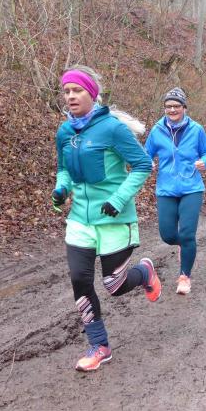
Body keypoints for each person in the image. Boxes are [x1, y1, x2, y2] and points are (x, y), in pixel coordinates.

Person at [52, 65, 160, 372]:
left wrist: (118, 198)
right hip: (79, 220)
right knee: (79, 280)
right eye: (66, 91)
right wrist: (62, 188)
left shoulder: (112, 129)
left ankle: (145, 272)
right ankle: (99, 345)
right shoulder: (64, 132)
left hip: (114, 219)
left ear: (92, 94)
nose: (71, 96)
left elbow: (142, 165)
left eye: (77, 90)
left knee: (114, 284)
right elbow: (63, 168)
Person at [145, 87, 206, 295]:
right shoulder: (157, 130)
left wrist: (205, 162)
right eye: (168, 106)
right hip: (166, 188)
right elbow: (146, 153)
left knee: (187, 233)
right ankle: (185, 244)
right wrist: (148, 163)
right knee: (167, 235)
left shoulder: (196, 129)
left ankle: (184, 277)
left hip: (191, 187)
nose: (172, 110)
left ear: (184, 107)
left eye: (176, 106)